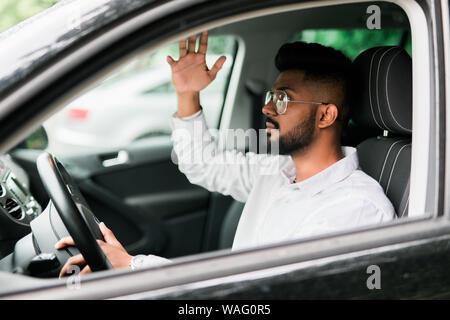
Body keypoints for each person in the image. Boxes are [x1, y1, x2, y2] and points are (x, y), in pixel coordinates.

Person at [56, 31, 395, 276]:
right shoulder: (278, 171)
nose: (266, 107)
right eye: (269, 95)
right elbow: (203, 165)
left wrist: (132, 266)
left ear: (325, 115)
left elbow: (258, 293)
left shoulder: (354, 208)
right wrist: (187, 94)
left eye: (282, 98)